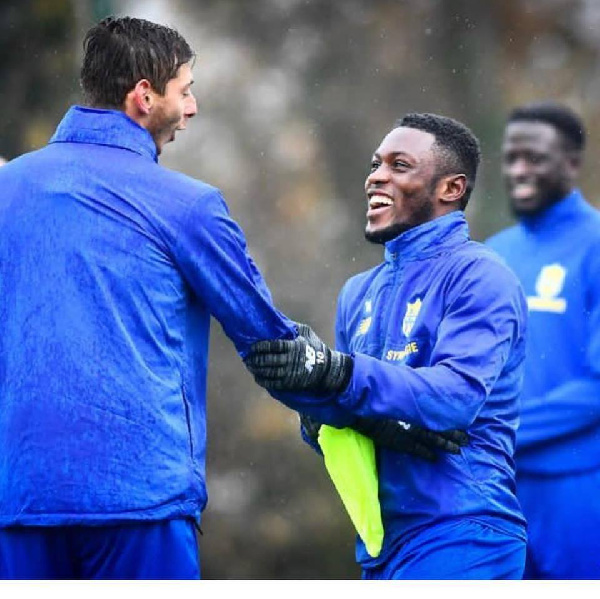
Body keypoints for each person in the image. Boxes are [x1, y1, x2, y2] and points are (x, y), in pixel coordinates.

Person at [0, 18, 463, 580]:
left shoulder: (9, 188)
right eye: (185, 89)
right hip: (139, 502)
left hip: (18, 499)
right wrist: (384, 417)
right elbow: (274, 351)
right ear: (143, 96)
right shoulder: (186, 205)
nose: (192, 108)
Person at [246, 113, 529, 580]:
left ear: (450, 189)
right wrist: (311, 404)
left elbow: (456, 396)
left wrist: (336, 374)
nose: (376, 175)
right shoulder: (357, 292)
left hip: (464, 532)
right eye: (376, 164)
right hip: (380, 547)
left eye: (400, 165)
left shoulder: (481, 276)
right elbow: (338, 425)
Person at [486, 102, 600, 579]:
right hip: (493, 489)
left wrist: (499, 431)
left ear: (571, 163)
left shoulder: (596, 244)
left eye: (534, 158)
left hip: (577, 488)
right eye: (511, 157)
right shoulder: (491, 254)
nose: (518, 170)